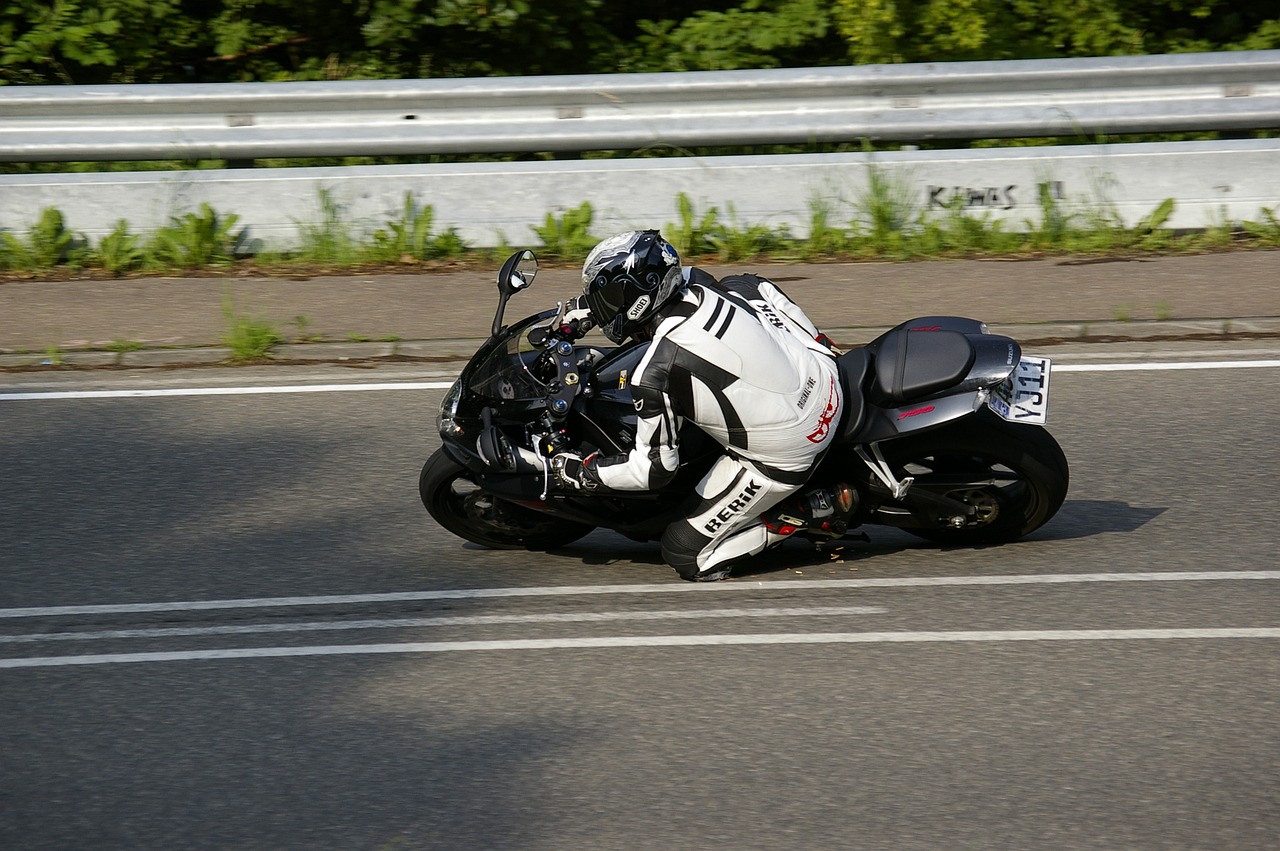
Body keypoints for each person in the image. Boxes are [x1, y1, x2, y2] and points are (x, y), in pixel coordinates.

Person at [551, 229, 853, 581]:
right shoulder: (700, 282)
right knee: (744, 283)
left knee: (685, 553)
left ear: (637, 298)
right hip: (825, 373)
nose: (603, 307)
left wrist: (583, 473)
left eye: (609, 297)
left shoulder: (653, 375)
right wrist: (590, 309)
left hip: (795, 444)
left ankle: (811, 511)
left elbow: (654, 470)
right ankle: (822, 343)